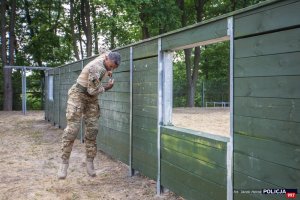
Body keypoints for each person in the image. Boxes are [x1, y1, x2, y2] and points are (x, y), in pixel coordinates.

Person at [57, 51, 121, 179]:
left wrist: (109, 71)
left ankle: (90, 162)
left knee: (92, 130)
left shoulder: (107, 57)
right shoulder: (96, 68)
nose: (111, 68)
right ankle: (63, 163)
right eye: (111, 66)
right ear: (107, 59)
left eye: (114, 67)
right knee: (72, 130)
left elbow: (106, 52)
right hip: (78, 95)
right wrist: (108, 87)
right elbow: (92, 90)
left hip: (91, 99)